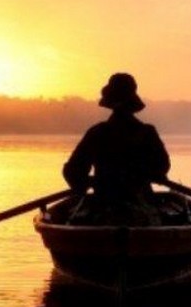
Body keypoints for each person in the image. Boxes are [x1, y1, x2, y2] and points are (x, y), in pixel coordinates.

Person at [62, 73, 171, 225]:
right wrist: (144, 175)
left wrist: (90, 182)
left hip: (104, 209)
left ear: (111, 104)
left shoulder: (97, 132)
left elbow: (72, 172)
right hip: (143, 209)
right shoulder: (147, 132)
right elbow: (162, 168)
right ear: (132, 104)